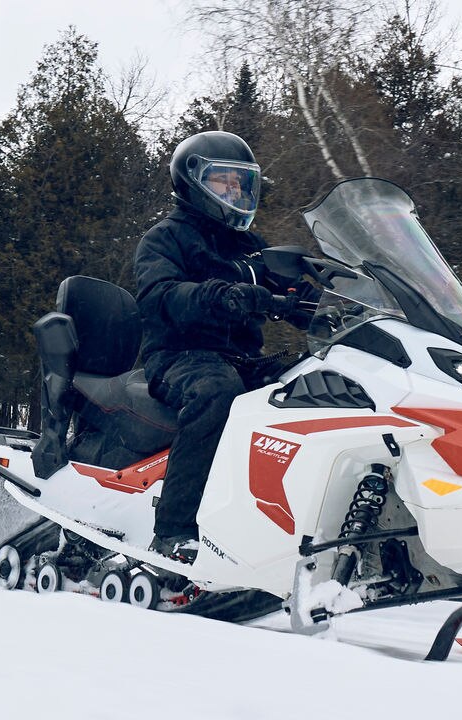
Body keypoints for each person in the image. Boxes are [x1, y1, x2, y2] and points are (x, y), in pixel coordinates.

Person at [134, 130, 311, 563]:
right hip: (179, 356)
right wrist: (215, 296)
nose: (234, 192)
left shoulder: (254, 248)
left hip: (242, 358)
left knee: (314, 389)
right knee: (217, 392)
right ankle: (173, 532)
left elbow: (293, 285)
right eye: (223, 182)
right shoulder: (165, 239)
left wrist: (333, 298)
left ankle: (300, 530)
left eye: (241, 183)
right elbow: (158, 296)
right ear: (193, 182)